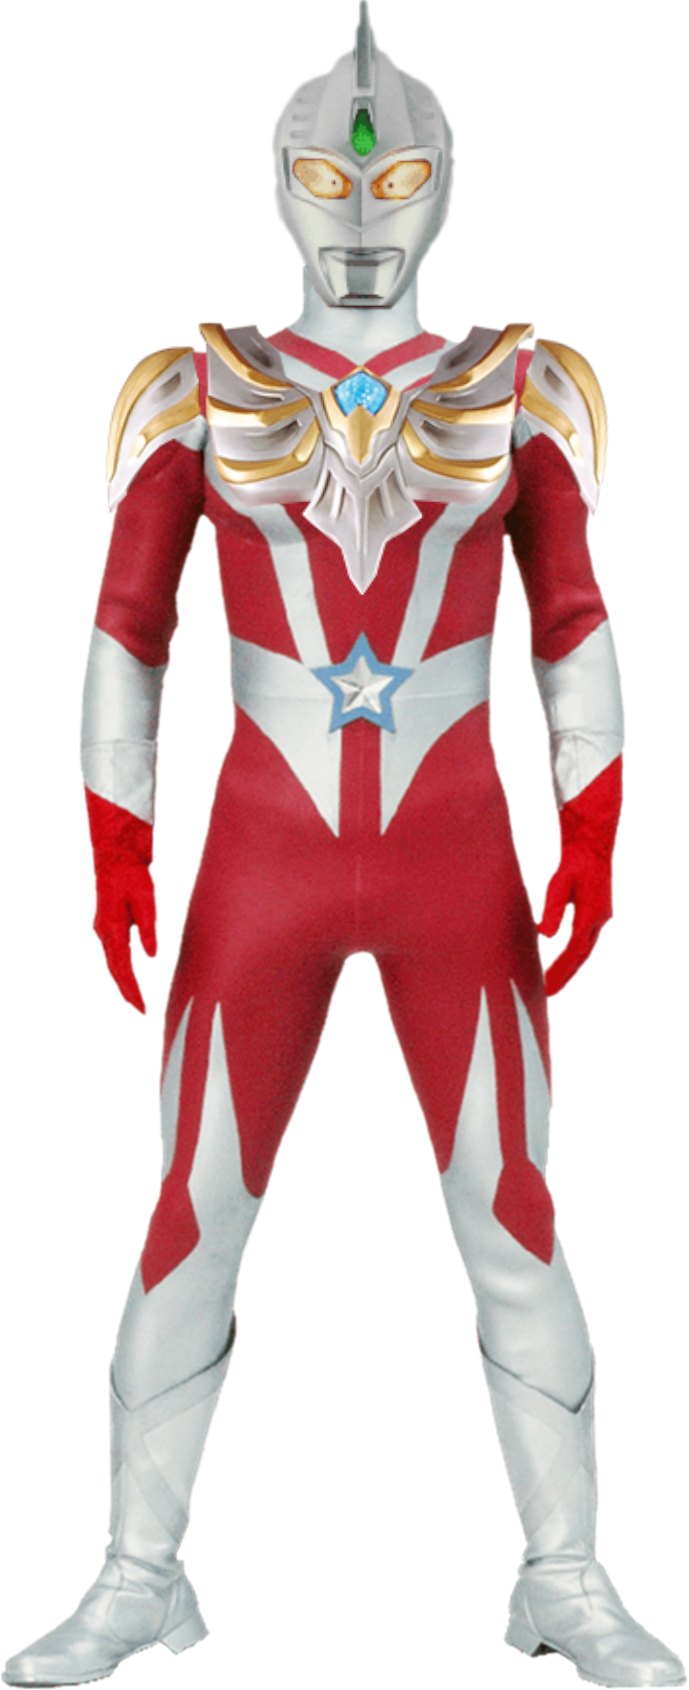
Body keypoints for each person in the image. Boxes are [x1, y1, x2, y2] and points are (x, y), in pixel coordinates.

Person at [2, 6, 688, 1688]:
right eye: (330, 181)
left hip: (457, 873)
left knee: (513, 1227)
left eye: (392, 183)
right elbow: (118, 627)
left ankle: (565, 1579)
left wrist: (612, 824)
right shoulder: (190, 394)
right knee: (187, 1223)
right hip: (260, 869)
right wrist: (93, 838)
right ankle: (135, 1575)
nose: (365, 215)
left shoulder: (516, 387)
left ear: (444, 192)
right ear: (275, 193)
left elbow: (575, 623)